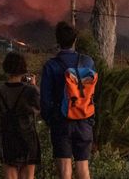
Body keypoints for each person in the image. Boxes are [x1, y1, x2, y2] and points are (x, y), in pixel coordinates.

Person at [40, 22, 95, 179]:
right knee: (83, 168)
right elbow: (92, 93)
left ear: (58, 41)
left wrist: (50, 119)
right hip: (84, 119)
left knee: (65, 170)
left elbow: (45, 100)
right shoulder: (88, 62)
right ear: (75, 39)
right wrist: (89, 119)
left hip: (61, 121)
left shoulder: (51, 66)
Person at [0, 52, 41, 179]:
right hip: (27, 135)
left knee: (9, 173)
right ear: (23, 69)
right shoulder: (30, 90)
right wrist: (34, 86)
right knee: (28, 175)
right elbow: (40, 108)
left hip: (6, 136)